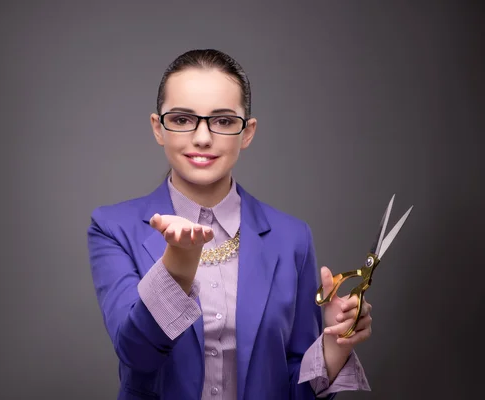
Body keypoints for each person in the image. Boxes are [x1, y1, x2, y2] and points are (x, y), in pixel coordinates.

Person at [87, 49, 372, 400]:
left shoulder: (292, 238)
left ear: (247, 132)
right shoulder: (112, 228)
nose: (203, 137)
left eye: (223, 121)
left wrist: (334, 344)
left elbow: (295, 389)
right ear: (158, 128)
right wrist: (177, 268)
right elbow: (137, 355)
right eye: (181, 119)